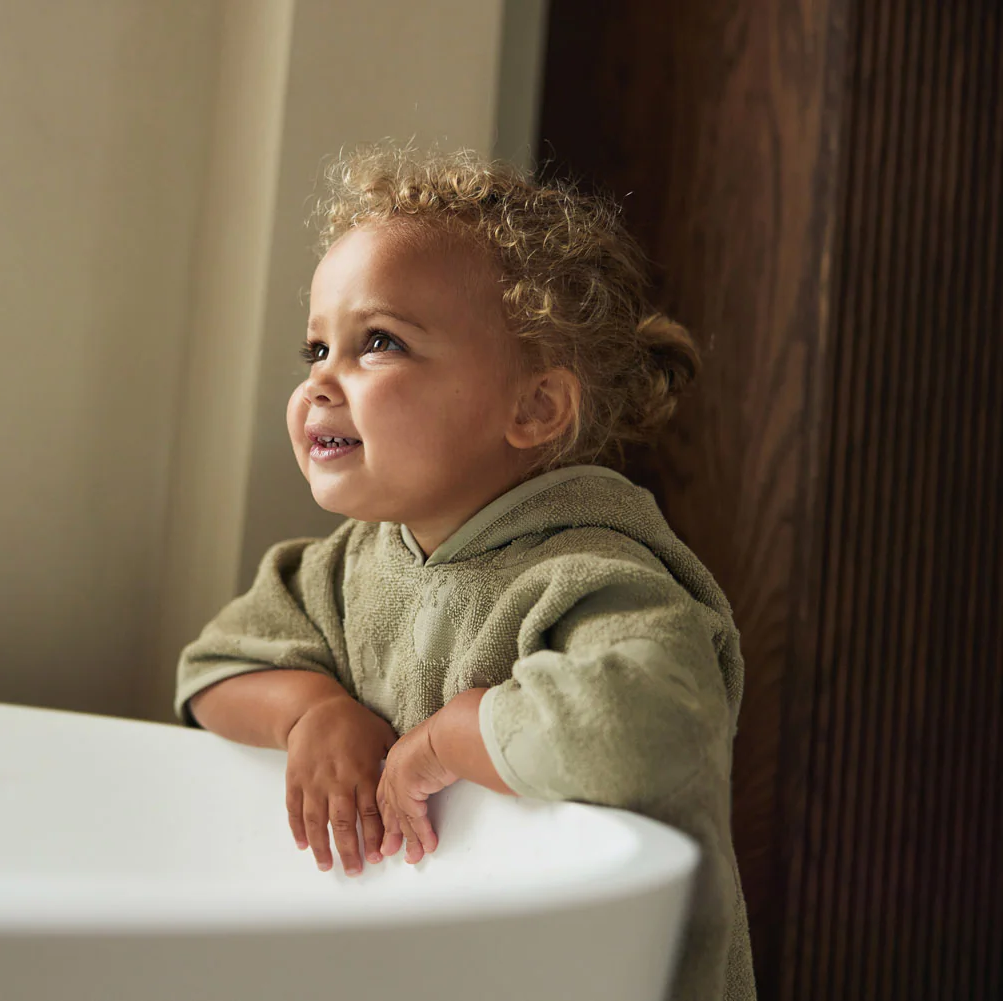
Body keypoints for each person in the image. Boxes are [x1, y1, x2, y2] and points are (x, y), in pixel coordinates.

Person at [172, 143, 756, 1001]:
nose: (321, 381)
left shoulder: (592, 571)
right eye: (316, 347)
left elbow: (646, 730)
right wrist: (310, 711)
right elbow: (212, 670)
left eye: (378, 342)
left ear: (534, 407)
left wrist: (456, 734)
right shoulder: (344, 569)